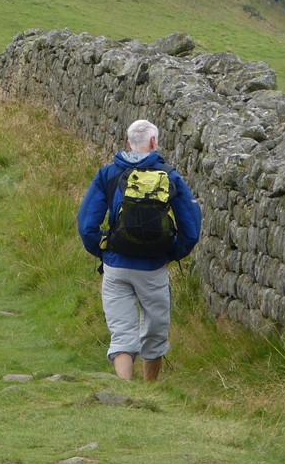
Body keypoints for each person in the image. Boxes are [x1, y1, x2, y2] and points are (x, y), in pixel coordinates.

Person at [77, 119, 202, 382]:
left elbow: (87, 225)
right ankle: (149, 388)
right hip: (153, 267)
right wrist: (171, 252)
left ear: (127, 141)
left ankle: (126, 387)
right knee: (155, 330)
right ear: (154, 142)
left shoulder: (108, 174)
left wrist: (104, 250)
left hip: (116, 266)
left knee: (122, 330)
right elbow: (191, 228)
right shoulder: (170, 176)